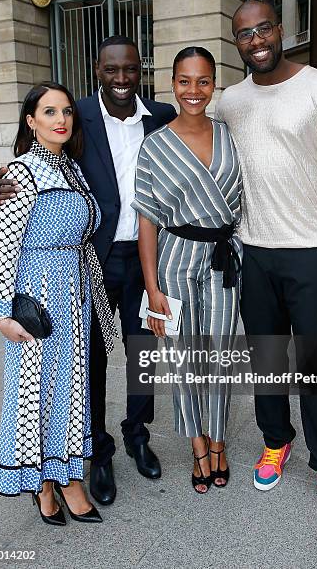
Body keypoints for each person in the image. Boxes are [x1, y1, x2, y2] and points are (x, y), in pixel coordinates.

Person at [0, 36, 177, 507]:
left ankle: (137, 433)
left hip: (151, 256)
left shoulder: (163, 118)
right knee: (87, 356)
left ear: (140, 71)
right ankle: (96, 449)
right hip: (92, 258)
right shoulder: (76, 117)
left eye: (130, 69)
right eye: (112, 69)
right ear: (98, 70)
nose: (121, 78)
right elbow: (37, 163)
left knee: (143, 350)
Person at [216, 0, 317, 528]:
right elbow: (183, 134)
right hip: (253, 252)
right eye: (243, 34)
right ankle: (276, 440)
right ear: (235, 42)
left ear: (280, 30)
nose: (255, 40)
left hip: (313, 252)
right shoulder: (229, 101)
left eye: (263, 29)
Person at [0, 82, 118, 525]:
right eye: (48, 112)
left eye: (65, 111)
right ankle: (41, 483)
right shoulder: (20, 173)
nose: (61, 119)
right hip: (37, 293)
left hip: (73, 292)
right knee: (34, 393)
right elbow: (4, 244)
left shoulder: (72, 170)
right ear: (31, 121)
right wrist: (2, 312)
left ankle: (68, 478)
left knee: (69, 388)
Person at [132, 47, 243, 493]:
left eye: (202, 81)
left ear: (213, 84)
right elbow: (146, 219)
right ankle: (197, 445)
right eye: (184, 81)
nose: (193, 90)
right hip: (174, 258)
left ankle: (219, 440)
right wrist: (152, 288)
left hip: (223, 260)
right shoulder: (155, 145)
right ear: (171, 83)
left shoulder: (232, 135)